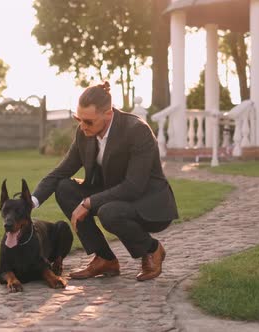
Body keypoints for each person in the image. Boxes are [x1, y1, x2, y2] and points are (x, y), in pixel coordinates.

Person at [31, 81, 178, 281]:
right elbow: (61, 172)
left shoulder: (137, 131)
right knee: (64, 188)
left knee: (108, 212)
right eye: (78, 119)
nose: (82, 126)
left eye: (88, 121)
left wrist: (89, 202)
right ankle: (105, 258)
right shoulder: (84, 133)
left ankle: (152, 249)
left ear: (108, 114)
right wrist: (30, 202)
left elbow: (134, 186)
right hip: (113, 196)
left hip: (148, 201)